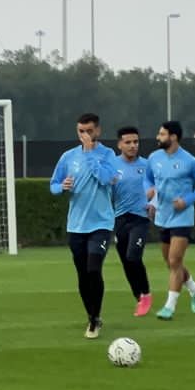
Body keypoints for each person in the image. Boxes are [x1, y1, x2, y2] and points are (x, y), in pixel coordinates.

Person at [50, 113, 120, 340]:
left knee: (93, 268)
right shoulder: (68, 157)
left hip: (101, 223)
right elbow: (53, 185)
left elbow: (106, 179)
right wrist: (62, 186)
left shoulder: (108, 154)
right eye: (81, 131)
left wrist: (90, 154)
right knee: (82, 273)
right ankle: (91, 314)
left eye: (89, 131)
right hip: (76, 225)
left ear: (98, 131)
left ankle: (95, 318)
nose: (85, 135)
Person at [144, 121, 195, 319]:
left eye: (162, 134)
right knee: (171, 262)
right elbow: (147, 179)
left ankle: (169, 307)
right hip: (162, 216)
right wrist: (149, 191)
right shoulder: (154, 158)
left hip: (182, 218)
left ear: (173, 137)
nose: (158, 137)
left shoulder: (190, 161)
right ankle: (194, 287)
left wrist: (186, 201)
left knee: (174, 261)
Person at [110, 126, 153, 317]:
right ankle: (139, 296)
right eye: (128, 142)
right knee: (126, 260)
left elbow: (160, 187)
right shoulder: (111, 165)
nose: (133, 145)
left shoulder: (147, 166)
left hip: (140, 218)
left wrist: (154, 202)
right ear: (120, 144)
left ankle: (146, 294)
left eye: (135, 142)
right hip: (119, 219)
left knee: (133, 255)